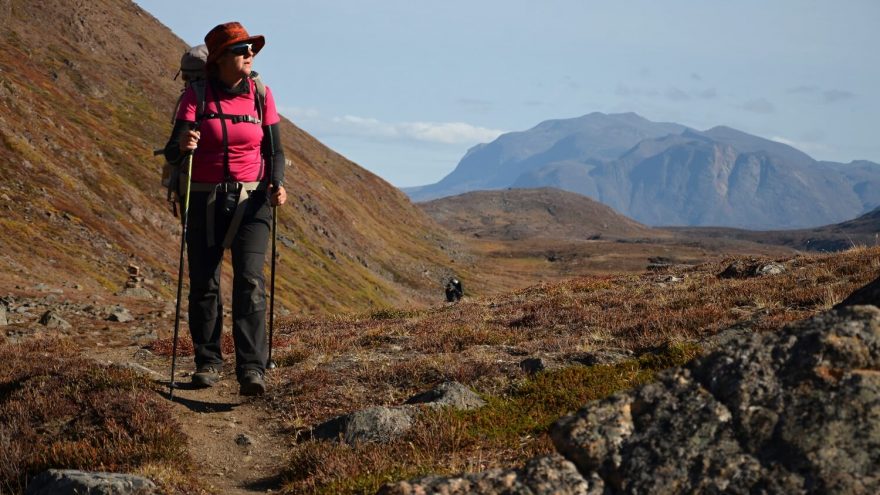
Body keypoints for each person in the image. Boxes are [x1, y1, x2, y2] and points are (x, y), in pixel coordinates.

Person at [163, 22, 286, 396]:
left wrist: (277, 183)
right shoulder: (196, 96)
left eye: (251, 48)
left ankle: (252, 368)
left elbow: (275, 150)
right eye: (240, 49)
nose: (249, 54)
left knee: (250, 281)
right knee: (204, 283)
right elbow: (172, 152)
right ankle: (208, 362)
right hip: (203, 199)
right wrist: (183, 144)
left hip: (253, 201)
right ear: (218, 58)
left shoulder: (262, 95)